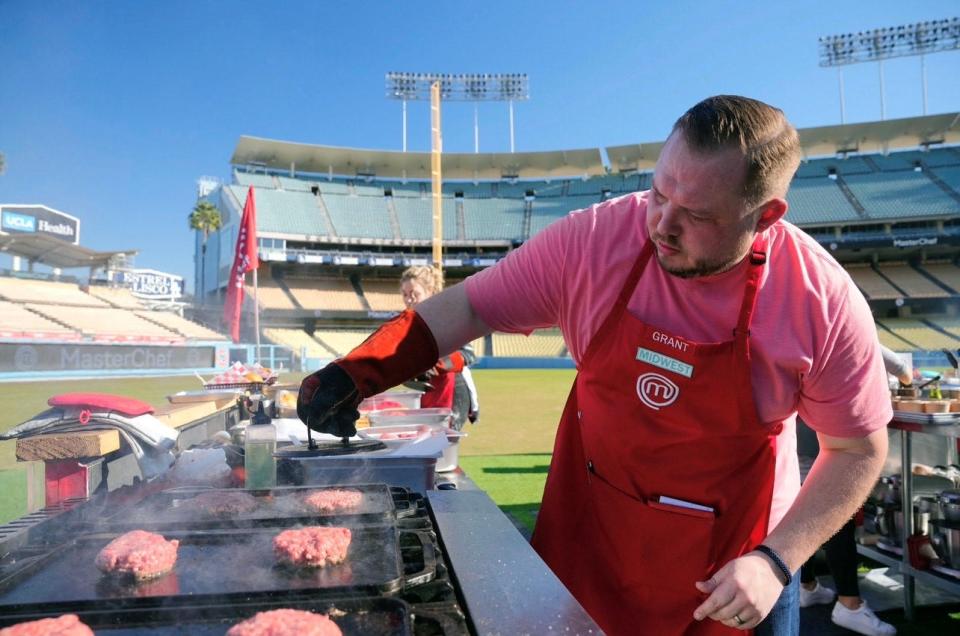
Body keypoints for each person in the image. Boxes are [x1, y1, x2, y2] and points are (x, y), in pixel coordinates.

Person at [297, 95, 891, 635]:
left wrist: (777, 559)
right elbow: (472, 304)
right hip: (590, 545)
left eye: (698, 215)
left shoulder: (821, 301)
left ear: (765, 215)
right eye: (659, 192)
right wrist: (361, 369)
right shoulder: (596, 241)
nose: (662, 224)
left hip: (738, 573)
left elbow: (857, 450)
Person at [797, 345, 910, 636]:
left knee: (803, 514)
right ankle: (849, 606)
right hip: (826, 437)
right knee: (836, 520)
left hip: (796, 433)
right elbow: (903, 369)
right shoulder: (842, 320)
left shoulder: (802, 320)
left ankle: (807, 587)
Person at [399, 266, 478, 430]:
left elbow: (468, 355)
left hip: (451, 393)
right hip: (425, 395)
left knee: (443, 446)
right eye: (405, 294)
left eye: (415, 294)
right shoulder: (408, 325)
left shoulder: (448, 318)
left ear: (431, 292)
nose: (409, 299)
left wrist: (434, 365)